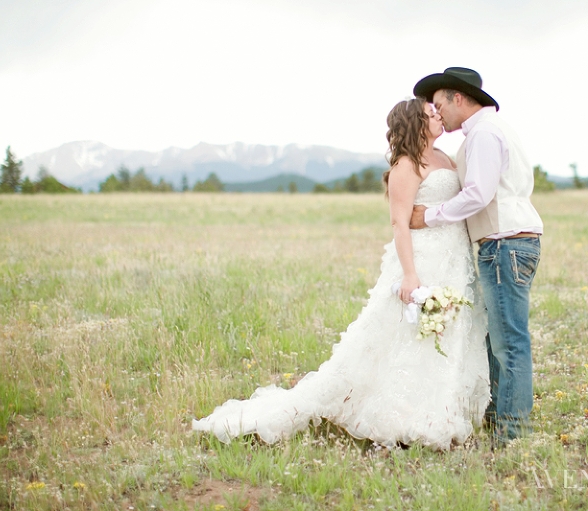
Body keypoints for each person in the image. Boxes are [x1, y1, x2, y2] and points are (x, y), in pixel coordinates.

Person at [193, 98, 490, 450]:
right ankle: (405, 412)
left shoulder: (445, 158)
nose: (438, 116)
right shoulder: (406, 166)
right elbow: (399, 223)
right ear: (415, 124)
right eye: (430, 114)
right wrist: (410, 275)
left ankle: (444, 405)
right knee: (411, 335)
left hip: (453, 256)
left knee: (451, 331)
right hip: (423, 258)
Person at [410, 67, 543, 447]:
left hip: (505, 243)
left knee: (509, 342)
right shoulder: (488, 130)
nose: (437, 114)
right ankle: (498, 419)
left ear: (458, 98)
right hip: (507, 242)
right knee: (497, 338)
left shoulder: (484, 133)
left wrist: (429, 216)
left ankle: (512, 433)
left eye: (439, 105)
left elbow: (478, 194)